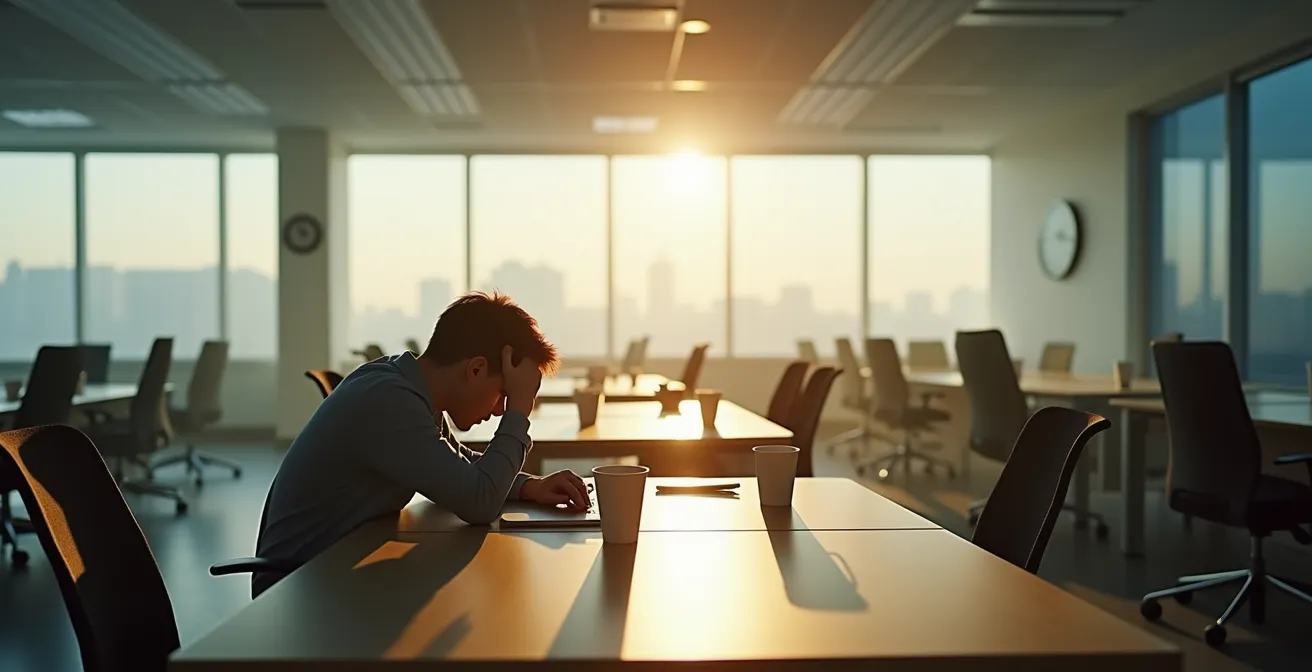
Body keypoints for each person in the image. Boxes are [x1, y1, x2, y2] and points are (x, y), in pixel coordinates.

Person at [251, 291, 589, 597]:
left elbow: (460, 465)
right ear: (475, 369)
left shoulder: (408, 390)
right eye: (503, 394)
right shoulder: (389, 402)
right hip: (297, 593)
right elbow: (479, 502)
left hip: (337, 570)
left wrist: (531, 487)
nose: (500, 409)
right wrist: (519, 410)